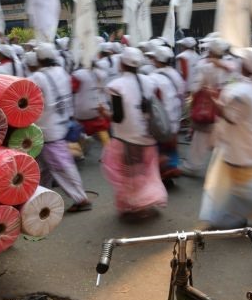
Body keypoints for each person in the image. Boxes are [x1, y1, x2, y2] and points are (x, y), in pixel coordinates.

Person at [199, 47, 252, 229]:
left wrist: (213, 100)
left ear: (245, 65)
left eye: (239, 60)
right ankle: (231, 219)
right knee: (233, 190)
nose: (235, 63)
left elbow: (230, 117)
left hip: (241, 152)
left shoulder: (241, 91)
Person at [103, 48, 167, 216]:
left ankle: (140, 205)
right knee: (143, 172)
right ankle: (136, 203)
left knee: (132, 175)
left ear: (122, 63)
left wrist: (104, 113)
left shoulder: (115, 86)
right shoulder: (149, 81)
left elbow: (117, 117)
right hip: (148, 136)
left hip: (128, 138)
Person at [29, 43, 93, 212]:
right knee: (42, 168)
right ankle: (40, 200)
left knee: (62, 167)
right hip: (59, 124)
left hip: (47, 129)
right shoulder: (62, 72)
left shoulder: (37, 78)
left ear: (39, 59)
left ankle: (81, 199)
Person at [181, 38, 237, 176]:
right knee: (222, 139)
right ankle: (226, 167)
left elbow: (196, 87)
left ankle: (193, 166)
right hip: (225, 105)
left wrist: (193, 96)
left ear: (211, 51)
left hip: (208, 105)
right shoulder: (231, 65)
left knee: (200, 139)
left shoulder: (205, 67)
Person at [149, 46, 185, 181]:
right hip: (176, 117)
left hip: (161, 120)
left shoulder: (153, 78)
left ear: (156, 60)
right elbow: (181, 95)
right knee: (171, 145)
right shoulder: (177, 74)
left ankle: (163, 169)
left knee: (158, 146)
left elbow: (152, 100)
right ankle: (172, 166)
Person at [71, 59, 111, 148]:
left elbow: (72, 89)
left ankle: (80, 151)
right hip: (100, 109)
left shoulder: (80, 74)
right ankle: (110, 154)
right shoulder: (105, 75)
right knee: (102, 131)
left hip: (82, 110)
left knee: (78, 131)